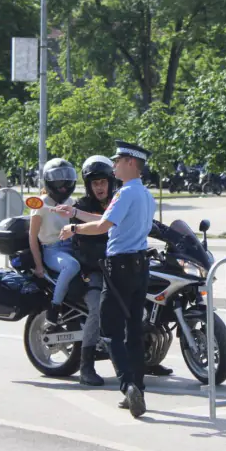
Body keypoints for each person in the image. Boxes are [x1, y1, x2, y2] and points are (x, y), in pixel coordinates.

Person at [59, 141, 156, 418]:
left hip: (119, 266)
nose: (114, 166)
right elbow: (109, 218)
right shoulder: (145, 195)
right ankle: (137, 388)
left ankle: (127, 386)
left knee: (110, 330)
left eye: (118, 161)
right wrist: (75, 213)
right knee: (133, 331)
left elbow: (102, 227)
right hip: (140, 266)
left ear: (130, 163)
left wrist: (73, 229)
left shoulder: (125, 193)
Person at [29, 158, 80, 325]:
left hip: (72, 246)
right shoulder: (41, 204)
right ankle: (55, 306)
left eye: (66, 178)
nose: (63, 184)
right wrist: (38, 265)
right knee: (71, 266)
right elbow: (32, 236)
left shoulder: (71, 203)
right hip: (52, 250)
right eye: (58, 179)